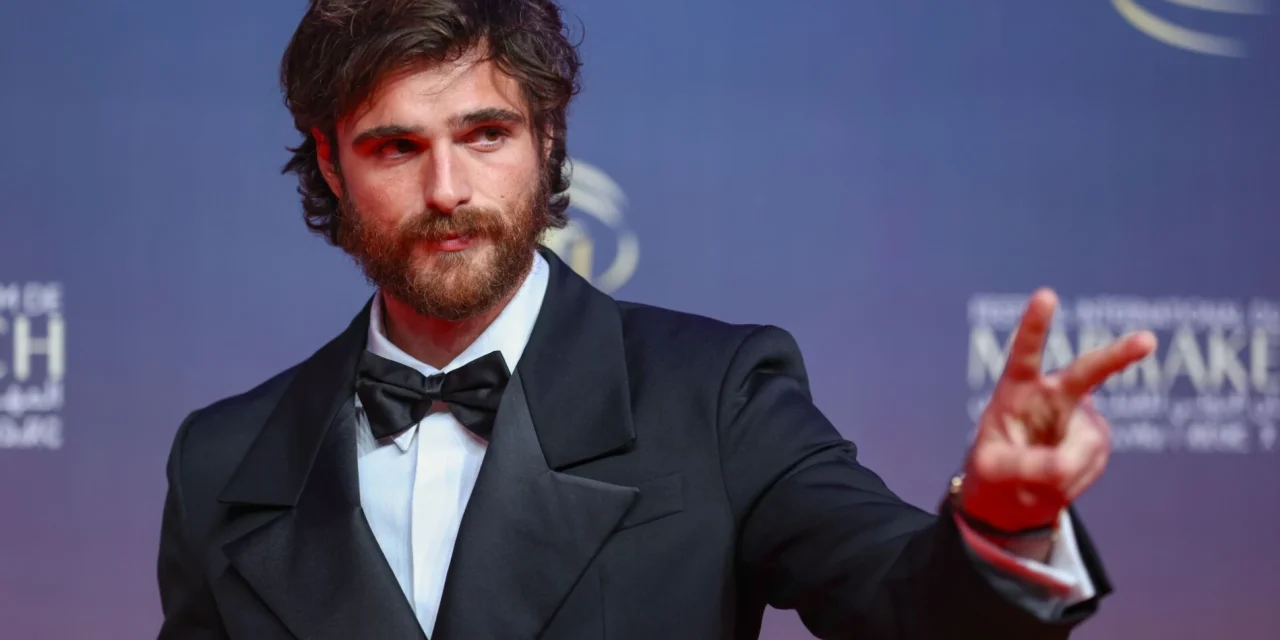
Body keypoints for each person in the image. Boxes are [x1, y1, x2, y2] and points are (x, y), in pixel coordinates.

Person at [155, 1, 1157, 638]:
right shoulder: (223, 459)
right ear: (331, 165)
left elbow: (904, 604)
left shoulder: (714, 397)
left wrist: (1001, 521)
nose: (447, 188)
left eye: (486, 133)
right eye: (395, 147)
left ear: (548, 139)